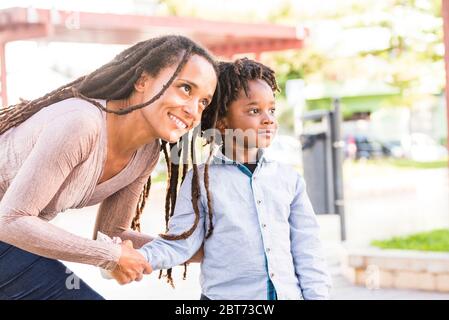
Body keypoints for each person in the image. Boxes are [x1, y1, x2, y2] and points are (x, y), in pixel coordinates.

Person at [0, 35, 218, 300]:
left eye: (203, 101)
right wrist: (111, 256)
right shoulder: (81, 123)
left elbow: (111, 233)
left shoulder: (145, 153)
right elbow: (10, 221)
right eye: (186, 89)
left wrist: (206, 248)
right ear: (142, 80)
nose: (193, 110)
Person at [136, 58, 332, 300]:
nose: (268, 119)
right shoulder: (201, 180)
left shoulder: (289, 179)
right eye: (254, 111)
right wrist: (136, 258)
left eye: (271, 110)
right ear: (221, 121)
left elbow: (308, 249)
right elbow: (180, 243)